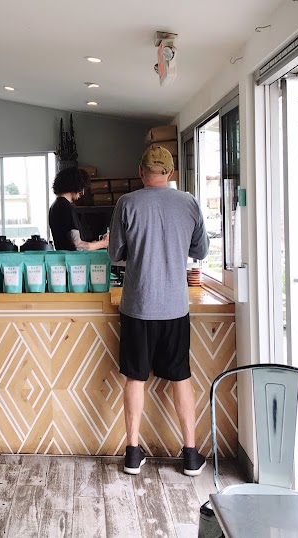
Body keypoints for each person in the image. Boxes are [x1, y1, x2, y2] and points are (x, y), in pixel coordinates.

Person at [107, 146, 209, 477]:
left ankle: (133, 453)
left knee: (135, 377)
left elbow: (114, 253)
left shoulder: (127, 203)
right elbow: (201, 250)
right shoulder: (189, 203)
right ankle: (190, 455)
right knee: (181, 377)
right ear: (171, 172)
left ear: (141, 171)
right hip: (175, 307)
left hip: (138, 306)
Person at [48, 167, 108, 250]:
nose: (82, 193)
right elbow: (77, 245)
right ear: (74, 185)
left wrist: (94, 244)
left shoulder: (56, 205)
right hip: (71, 258)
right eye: (81, 188)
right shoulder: (65, 207)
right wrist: (103, 243)